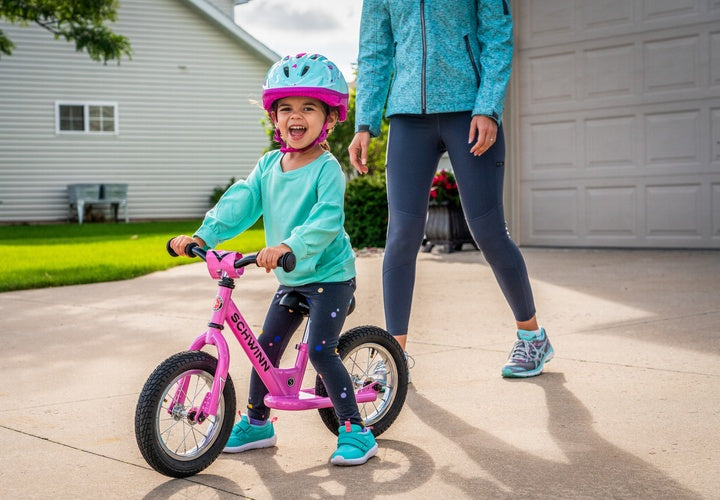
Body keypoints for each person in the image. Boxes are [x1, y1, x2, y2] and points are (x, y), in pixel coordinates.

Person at [170, 53, 377, 465]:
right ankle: (258, 423)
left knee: (320, 351)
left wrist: (288, 246)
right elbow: (242, 202)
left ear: (330, 119)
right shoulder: (269, 165)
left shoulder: (327, 170)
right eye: (286, 109)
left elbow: (326, 220)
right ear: (275, 118)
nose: (295, 117)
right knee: (263, 348)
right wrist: (203, 236)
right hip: (293, 278)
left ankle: (355, 428)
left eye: (307, 108)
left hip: (330, 276)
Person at [348, 0, 554, 378]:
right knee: (401, 234)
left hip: (468, 109)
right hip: (409, 116)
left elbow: (497, 35)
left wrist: (488, 107)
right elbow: (376, 50)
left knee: (487, 229)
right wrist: (365, 123)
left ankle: (532, 337)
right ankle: (394, 357)